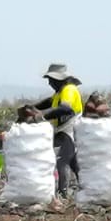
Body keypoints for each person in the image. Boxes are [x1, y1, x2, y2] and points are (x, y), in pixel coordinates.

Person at [32, 64, 84, 195]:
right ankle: (87, 187)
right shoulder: (59, 93)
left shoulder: (69, 89)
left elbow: (65, 108)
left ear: (59, 79)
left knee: (62, 161)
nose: (49, 83)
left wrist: (41, 116)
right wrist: (32, 108)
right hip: (63, 130)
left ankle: (63, 193)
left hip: (69, 130)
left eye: (51, 80)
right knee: (74, 162)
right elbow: (49, 102)